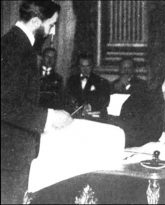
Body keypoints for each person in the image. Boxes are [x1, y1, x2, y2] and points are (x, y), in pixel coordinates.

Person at [1, 1, 73, 203]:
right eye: (51, 25)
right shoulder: (16, 49)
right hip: (8, 156)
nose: (52, 32)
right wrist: (49, 117)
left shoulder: (14, 44)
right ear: (35, 21)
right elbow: (5, 105)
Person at [67, 53, 111, 120]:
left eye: (87, 66)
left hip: (93, 118)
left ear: (92, 66)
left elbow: (104, 101)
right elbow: (67, 98)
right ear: (78, 66)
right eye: (82, 66)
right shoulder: (71, 80)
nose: (85, 69)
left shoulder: (101, 82)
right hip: (75, 117)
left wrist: (90, 106)